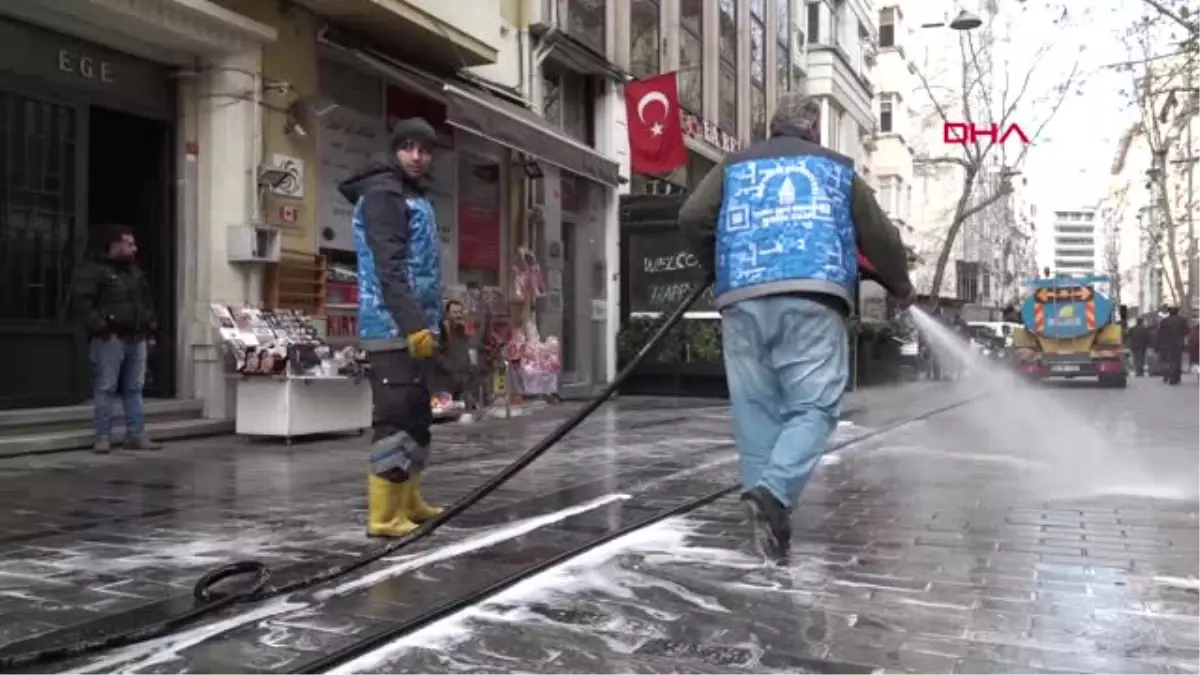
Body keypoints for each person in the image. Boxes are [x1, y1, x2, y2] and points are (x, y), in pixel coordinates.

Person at [677, 92, 915, 562]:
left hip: (742, 298)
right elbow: (882, 238)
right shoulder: (837, 169)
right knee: (812, 408)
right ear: (812, 128)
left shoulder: (734, 165)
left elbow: (691, 217)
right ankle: (774, 493)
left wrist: (719, 263)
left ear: (773, 127)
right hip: (812, 294)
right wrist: (900, 285)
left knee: (756, 413)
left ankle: (766, 527)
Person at [340, 117, 445, 538]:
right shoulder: (383, 194)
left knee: (418, 416)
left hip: (417, 325)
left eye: (424, 150)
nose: (417, 157)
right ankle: (383, 515)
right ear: (395, 150)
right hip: (391, 326)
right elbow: (391, 269)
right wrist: (414, 325)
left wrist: (433, 322)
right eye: (408, 148)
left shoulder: (413, 194)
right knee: (396, 417)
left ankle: (409, 499)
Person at [75, 225, 162, 454]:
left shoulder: (135, 272)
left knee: (134, 388)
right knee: (106, 387)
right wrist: (103, 329)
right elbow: (83, 304)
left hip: (137, 337)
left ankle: (136, 434)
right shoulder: (95, 270)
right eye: (129, 243)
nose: (134, 248)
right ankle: (102, 436)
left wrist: (150, 328)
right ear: (115, 245)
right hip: (110, 338)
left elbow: (146, 303)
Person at [1158, 306, 1189, 385]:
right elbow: (1187, 331)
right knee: (1177, 360)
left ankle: (1168, 376)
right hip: (1178, 343)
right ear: (1177, 312)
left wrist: (1160, 343)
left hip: (1167, 343)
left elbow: (1160, 333)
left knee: (1168, 360)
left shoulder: (1164, 321)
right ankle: (1176, 377)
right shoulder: (1183, 320)